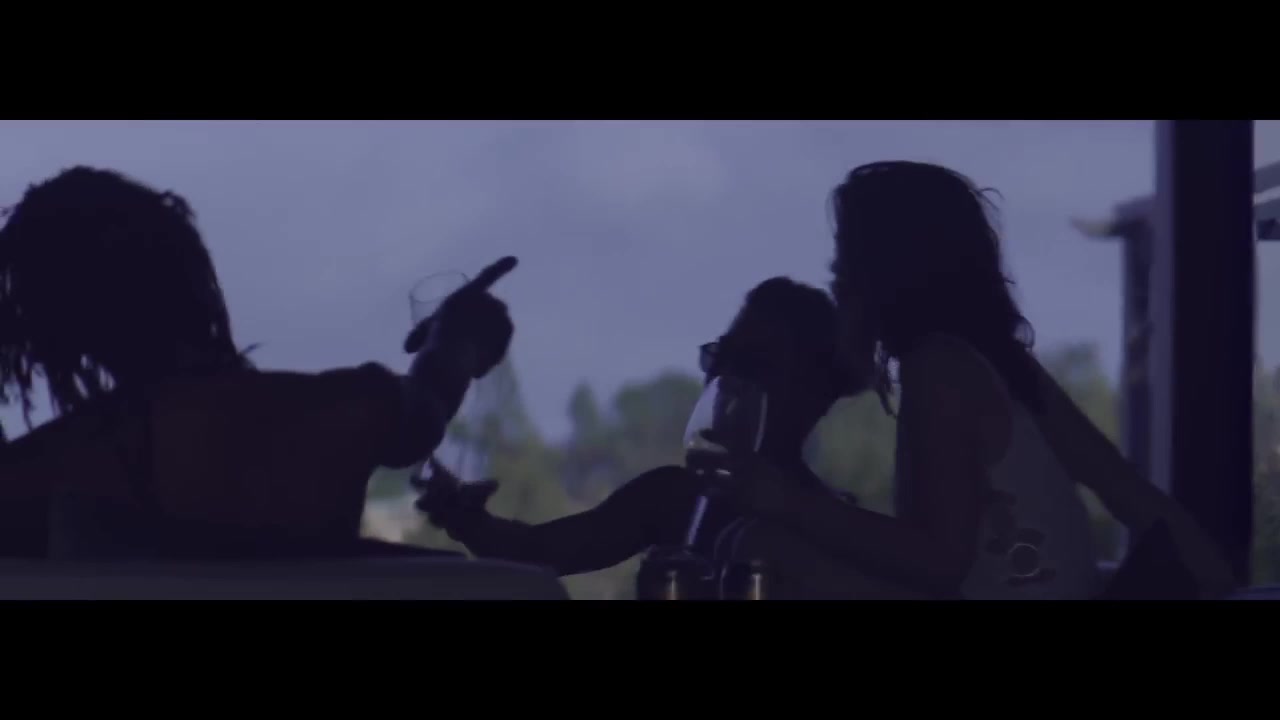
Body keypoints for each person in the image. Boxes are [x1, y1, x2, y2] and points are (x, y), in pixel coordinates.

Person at [713, 160, 1235, 599]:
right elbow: (1125, 489)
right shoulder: (1002, 364)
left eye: (848, 255)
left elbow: (938, 561)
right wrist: (1223, 584)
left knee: (762, 547)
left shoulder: (938, 369)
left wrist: (787, 503)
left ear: (885, 268)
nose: (836, 273)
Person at [0, 166, 516, 558]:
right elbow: (428, 402)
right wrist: (458, 336)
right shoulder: (347, 411)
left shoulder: (41, 473)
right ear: (191, 272)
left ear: (47, 332)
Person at [417, 277, 930, 598]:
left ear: (814, 394)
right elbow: (538, 552)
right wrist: (466, 519)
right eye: (720, 355)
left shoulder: (835, 527)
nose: (726, 376)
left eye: (754, 363)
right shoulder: (674, 496)